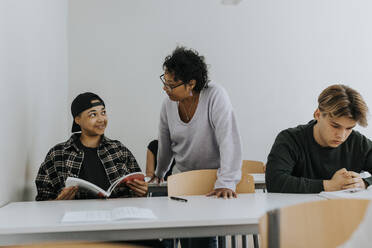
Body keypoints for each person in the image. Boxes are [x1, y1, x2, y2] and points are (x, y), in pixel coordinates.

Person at [151, 46, 242, 248]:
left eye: (171, 84)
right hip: (182, 180)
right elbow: (164, 142)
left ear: (191, 83)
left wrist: (226, 181)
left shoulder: (215, 96)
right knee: (185, 235)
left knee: (203, 239)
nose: (165, 88)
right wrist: (160, 172)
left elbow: (229, 140)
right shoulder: (168, 104)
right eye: (164, 82)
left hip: (211, 181)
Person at [35, 92, 148, 201]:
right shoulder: (57, 154)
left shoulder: (119, 149)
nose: (101, 119)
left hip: (116, 217)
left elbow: (139, 190)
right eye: (93, 114)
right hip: (74, 218)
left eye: (103, 113)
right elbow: (42, 199)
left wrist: (143, 191)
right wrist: (58, 202)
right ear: (77, 120)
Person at [266, 84, 372, 193]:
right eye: (335, 126)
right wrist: (330, 185)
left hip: (342, 209)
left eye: (349, 128)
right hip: (298, 209)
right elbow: (274, 181)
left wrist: (365, 183)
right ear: (318, 114)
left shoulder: (359, 143)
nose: (341, 135)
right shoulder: (290, 139)